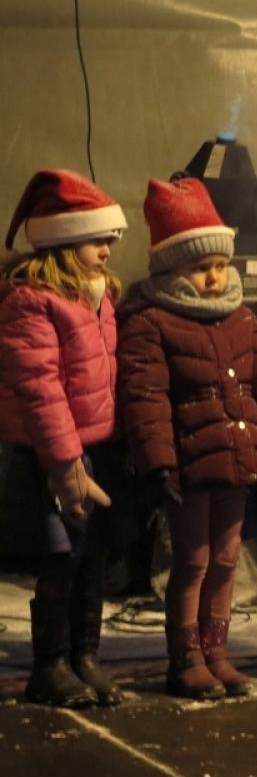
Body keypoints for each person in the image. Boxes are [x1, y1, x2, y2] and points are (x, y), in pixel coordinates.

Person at [119, 177, 257, 698]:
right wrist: (158, 463)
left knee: (226, 559)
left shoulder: (242, 318)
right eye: (201, 267)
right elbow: (147, 396)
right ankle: (185, 658)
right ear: (170, 269)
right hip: (188, 466)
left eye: (219, 265)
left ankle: (216, 651)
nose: (214, 276)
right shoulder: (152, 321)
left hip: (236, 458)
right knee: (193, 560)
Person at [0, 170, 130, 706]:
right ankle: (49, 665)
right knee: (59, 557)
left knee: (91, 555)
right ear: (62, 240)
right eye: (98, 239)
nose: (108, 250)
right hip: (49, 454)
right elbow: (40, 387)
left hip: (93, 447)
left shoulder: (97, 296)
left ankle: (86, 656)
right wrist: (65, 464)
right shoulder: (30, 301)